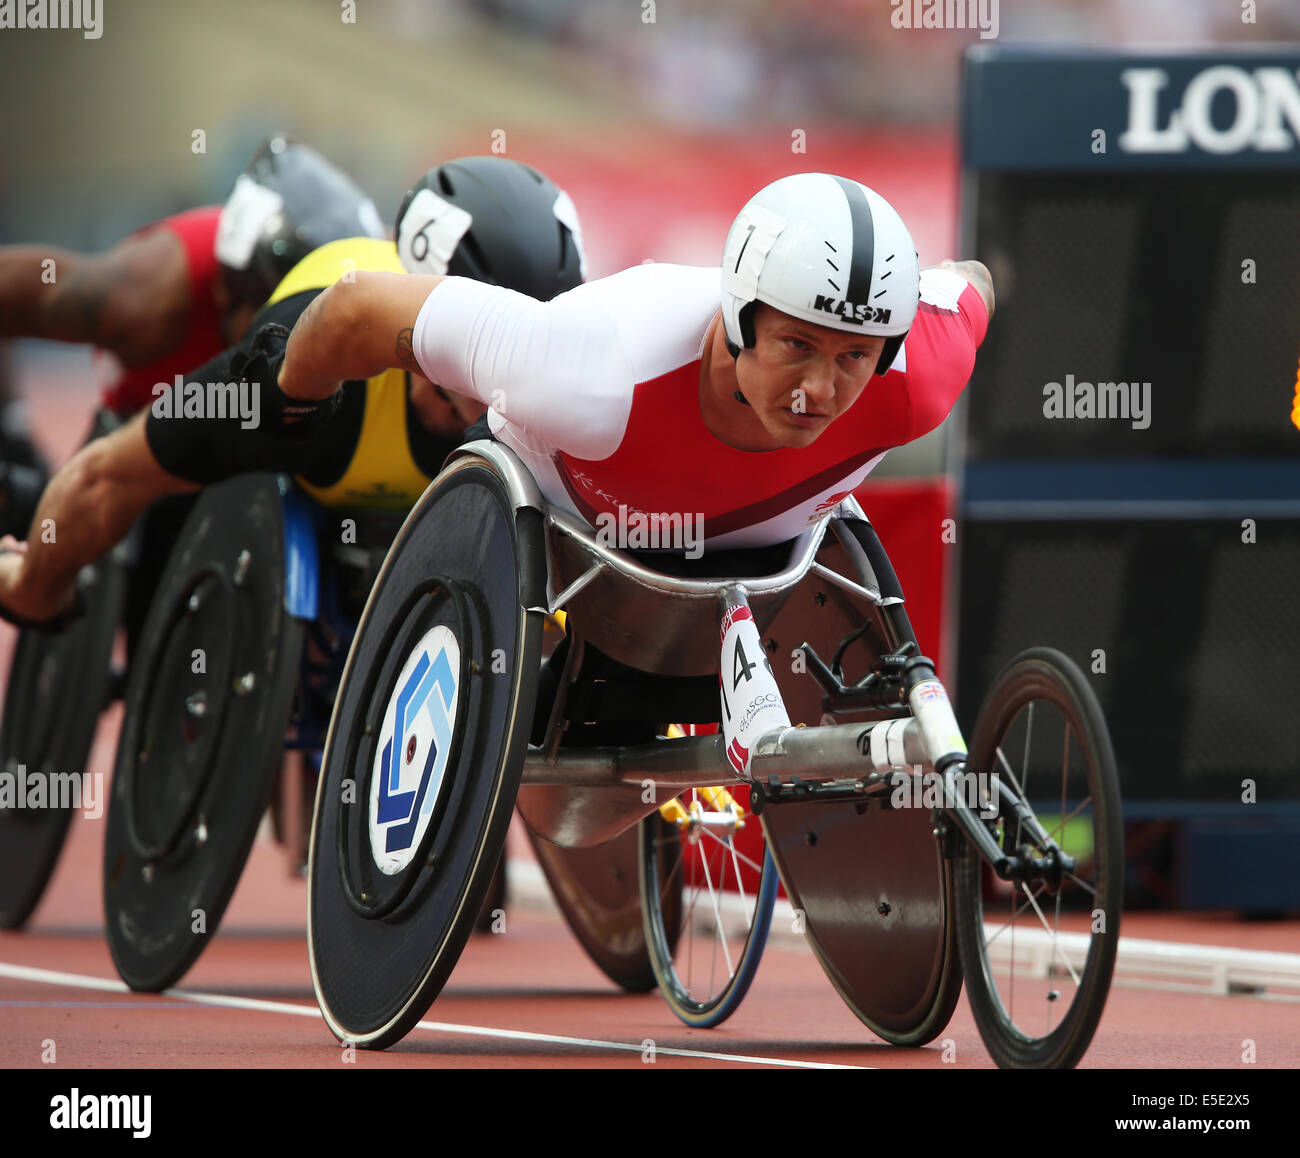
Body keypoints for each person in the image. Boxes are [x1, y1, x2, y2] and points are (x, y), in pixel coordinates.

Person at [0, 156, 587, 627]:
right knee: (128, 471)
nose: (507, 375)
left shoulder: (556, 408)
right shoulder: (284, 369)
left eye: (528, 344)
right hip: (292, 376)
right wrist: (31, 587)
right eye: (494, 342)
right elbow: (110, 476)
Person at [276, 171, 991, 551]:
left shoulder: (917, 378)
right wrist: (293, 411)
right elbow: (354, 310)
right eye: (796, 346)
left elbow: (976, 284)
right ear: (739, 317)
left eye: (853, 358)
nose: (820, 389)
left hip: (747, 559)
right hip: (561, 522)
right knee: (564, 812)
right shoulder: (588, 370)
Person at [0, 136, 386, 640]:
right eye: (284, 311)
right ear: (233, 286)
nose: (293, 330)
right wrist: (12, 422)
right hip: (148, 431)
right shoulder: (145, 294)